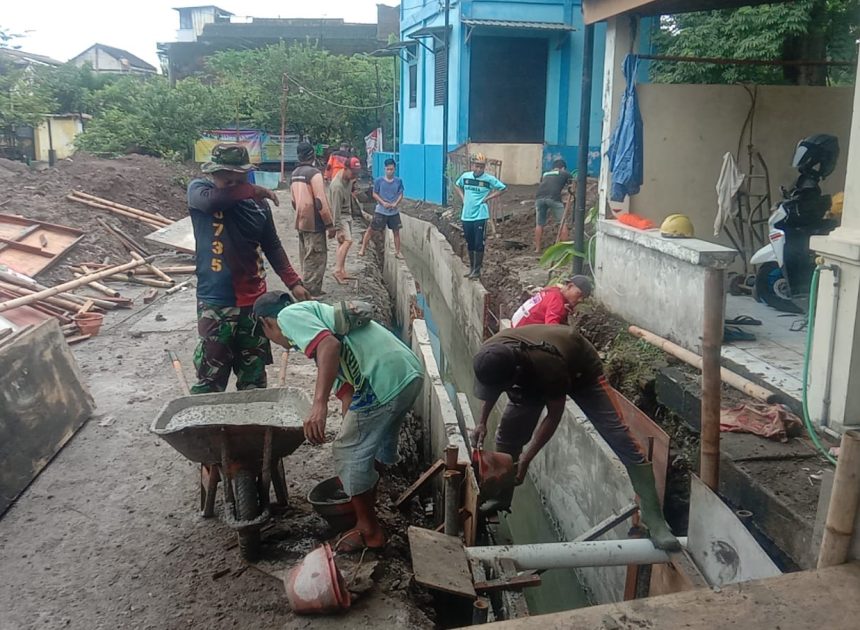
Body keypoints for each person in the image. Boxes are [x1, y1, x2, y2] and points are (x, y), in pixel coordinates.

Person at [470, 324, 680, 551]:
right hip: (531, 374)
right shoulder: (489, 356)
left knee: (618, 435)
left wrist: (527, 459)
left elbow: (553, 416)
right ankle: (503, 496)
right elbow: (491, 389)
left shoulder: (546, 364)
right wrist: (481, 422)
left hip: (581, 370)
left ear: (514, 374)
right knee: (509, 434)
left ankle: (653, 516)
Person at [253, 292, 424, 551]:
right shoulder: (317, 317)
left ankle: (369, 531)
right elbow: (347, 391)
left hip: (382, 379)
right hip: (405, 372)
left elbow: (329, 346)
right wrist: (349, 430)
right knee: (364, 447)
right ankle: (370, 503)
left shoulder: (289, 316)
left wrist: (318, 405)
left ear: (267, 323)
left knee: (347, 451)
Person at [186, 143, 310, 394]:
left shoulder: (258, 206)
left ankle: (250, 428)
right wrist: (251, 189)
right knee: (210, 378)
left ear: (245, 175)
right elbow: (212, 203)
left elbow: (272, 246)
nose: (234, 186)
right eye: (226, 180)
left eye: (238, 180)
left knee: (253, 380)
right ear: (213, 175)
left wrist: (293, 282)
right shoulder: (201, 193)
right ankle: (208, 430)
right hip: (216, 304)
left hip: (253, 306)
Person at [291, 141, 336, 296]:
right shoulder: (314, 174)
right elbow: (320, 201)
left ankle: (309, 287)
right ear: (313, 155)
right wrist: (329, 224)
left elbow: (293, 201)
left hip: (300, 220)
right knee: (316, 256)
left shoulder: (295, 173)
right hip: (314, 222)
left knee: (305, 255)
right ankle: (311, 291)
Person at [454, 153, 506, 279]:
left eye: (481, 167)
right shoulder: (465, 177)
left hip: (480, 215)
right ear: (472, 166)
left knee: (479, 243)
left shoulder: (488, 179)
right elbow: (457, 185)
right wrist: (463, 197)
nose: (478, 169)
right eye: (477, 166)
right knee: (470, 242)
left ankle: (477, 270)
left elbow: (502, 188)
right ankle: (472, 267)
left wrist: (488, 198)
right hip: (466, 215)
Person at [359, 158, 404, 258]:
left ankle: (398, 252)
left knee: (396, 232)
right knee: (371, 229)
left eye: (391, 169)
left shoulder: (398, 181)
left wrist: (396, 203)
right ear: (384, 169)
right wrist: (383, 203)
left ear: (395, 169)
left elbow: (400, 194)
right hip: (381, 211)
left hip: (393, 211)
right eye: (388, 169)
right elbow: (375, 194)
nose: (389, 171)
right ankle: (363, 249)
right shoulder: (379, 181)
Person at [511, 275, 592, 327]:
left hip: (516, 324)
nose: (580, 300)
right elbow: (551, 329)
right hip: (521, 333)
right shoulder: (557, 301)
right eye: (579, 294)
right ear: (570, 286)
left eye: (583, 298)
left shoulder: (552, 290)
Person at [329, 156, 361, 284]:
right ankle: (337, 271)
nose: (355, 175)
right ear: (345, 168)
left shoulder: (349, 179)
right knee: (348, 241)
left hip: (347, 214)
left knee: (342, 244)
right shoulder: (337, 186)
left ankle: (342, 270)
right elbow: (335, 209)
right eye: (353, 173)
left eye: (356, 173)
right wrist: (337, 229)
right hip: (340, 215)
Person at [534, 159, 573, 254]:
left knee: (539, 224)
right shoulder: (565, 173)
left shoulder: (545, 174)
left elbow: (547, 185)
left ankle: (537, 249)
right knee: (562, 223)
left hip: (539, 198)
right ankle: (564, 250)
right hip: (553, 198)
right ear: (563, 168)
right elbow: (572, 186)